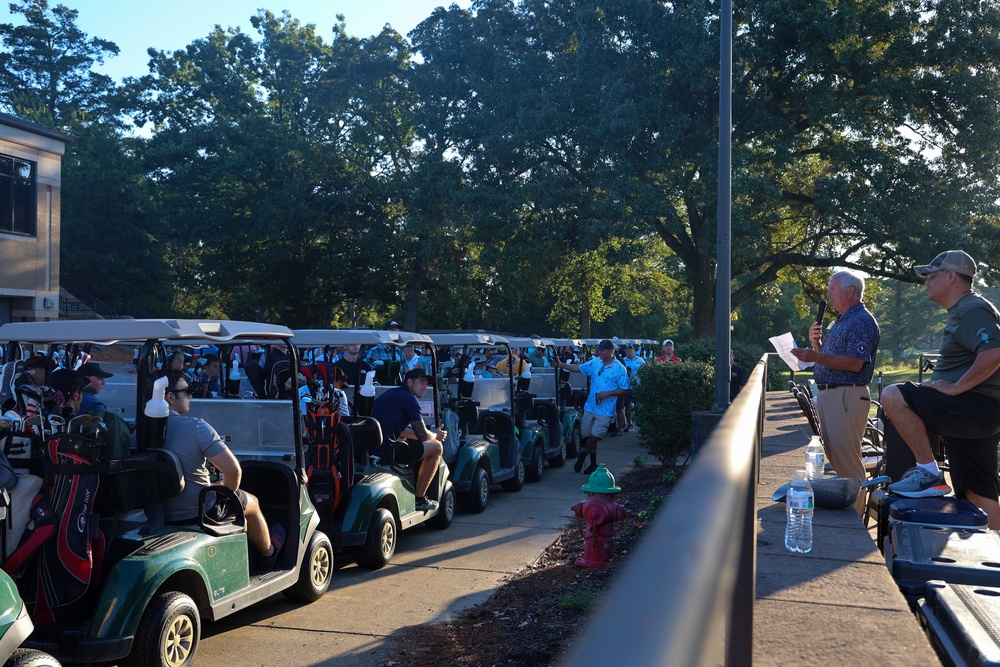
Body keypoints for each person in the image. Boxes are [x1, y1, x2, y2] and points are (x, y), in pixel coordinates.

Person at [880, 251, 1000, 528]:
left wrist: (956, 387)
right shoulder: (965, 309)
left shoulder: (970, 309)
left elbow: (994, 351)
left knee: (893, 394)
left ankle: (928, 472)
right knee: (976, 493)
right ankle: (993, 559)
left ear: (951, 277)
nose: (926, 283)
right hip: (980, 414)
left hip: (974, 407)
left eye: (932, 276)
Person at [159, 370, 285, 566]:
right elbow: (234, 471)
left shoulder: (137, 431)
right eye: (187, 390)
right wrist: (227, 491)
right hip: (199, 511)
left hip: (159, 513)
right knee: (252, 503)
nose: (191, 395)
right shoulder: (197, 427)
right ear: (170, 397)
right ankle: (270, 553)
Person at [791, 270, 880, 517]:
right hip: (834, 395)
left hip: (846, 396)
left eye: (832, 288)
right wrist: (816, 345)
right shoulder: (843, 320)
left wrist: (816, 355)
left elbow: (855, 363)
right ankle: (852, 513)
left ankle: (855, 520)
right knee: (837, 457)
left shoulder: (861, 320)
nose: (828, 294)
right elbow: (833, 360)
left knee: (848, 463)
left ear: (849, 291)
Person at [370, 368, 447, 512]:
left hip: (373, 449)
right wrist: (437, 435)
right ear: (410, 382)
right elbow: (423, 435)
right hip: (385, 452)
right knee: (436, 447)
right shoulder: (410, 399)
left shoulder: (391, 394)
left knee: (403, 437)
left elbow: (403, 431)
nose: (425, 386)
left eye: (426, 383)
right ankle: (419, 499)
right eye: (421, 382)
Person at [555, 339, 630, 474]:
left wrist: (609, 393)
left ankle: (583, 456)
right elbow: (579, 368)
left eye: (602, 350)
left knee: (596, 435)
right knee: (588, 435)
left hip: (605, 409)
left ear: (611, 351)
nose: (599, 352)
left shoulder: (619, 368)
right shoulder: (596, 362)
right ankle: (593, 464)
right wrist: (561, 365)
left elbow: (625, 389)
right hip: (590, 406)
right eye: (599, 349)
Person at [622, 344, 645, 432]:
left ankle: (641, 424)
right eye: (628, 351)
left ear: (634, 351)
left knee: (638, 405)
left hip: (637, 386)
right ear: (625, 352)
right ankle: (630, 424)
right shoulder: (623, 361)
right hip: (627, 387)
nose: (629, 352)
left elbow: (645, 370)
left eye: (631, 350)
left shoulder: (640, 360)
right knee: (627, 406)